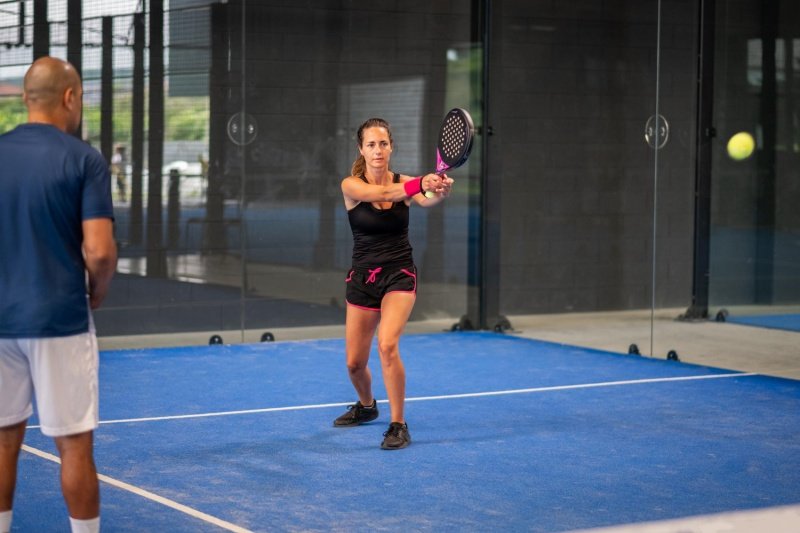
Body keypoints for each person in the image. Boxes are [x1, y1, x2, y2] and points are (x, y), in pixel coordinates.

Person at [0, 57, 117, 533]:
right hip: (60, 319)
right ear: (70, 97)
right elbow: (100, 251)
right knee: (73, 445)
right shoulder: (83, 159)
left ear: (26, 98)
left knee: (4, 440)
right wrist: (97, 291)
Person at [333, 117, 453, 450]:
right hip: (362, 278)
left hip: (399, 273)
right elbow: (387, 192)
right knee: (354, 364)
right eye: (370, 144)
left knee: (387, 344)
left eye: (383, 143)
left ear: (391, 147)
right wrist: (421, 184)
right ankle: (367, 406)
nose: (377, 150)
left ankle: (398, 424)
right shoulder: (351, 185)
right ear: (361, 148)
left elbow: (426, 197)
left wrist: (438, 189)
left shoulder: (406, 182)